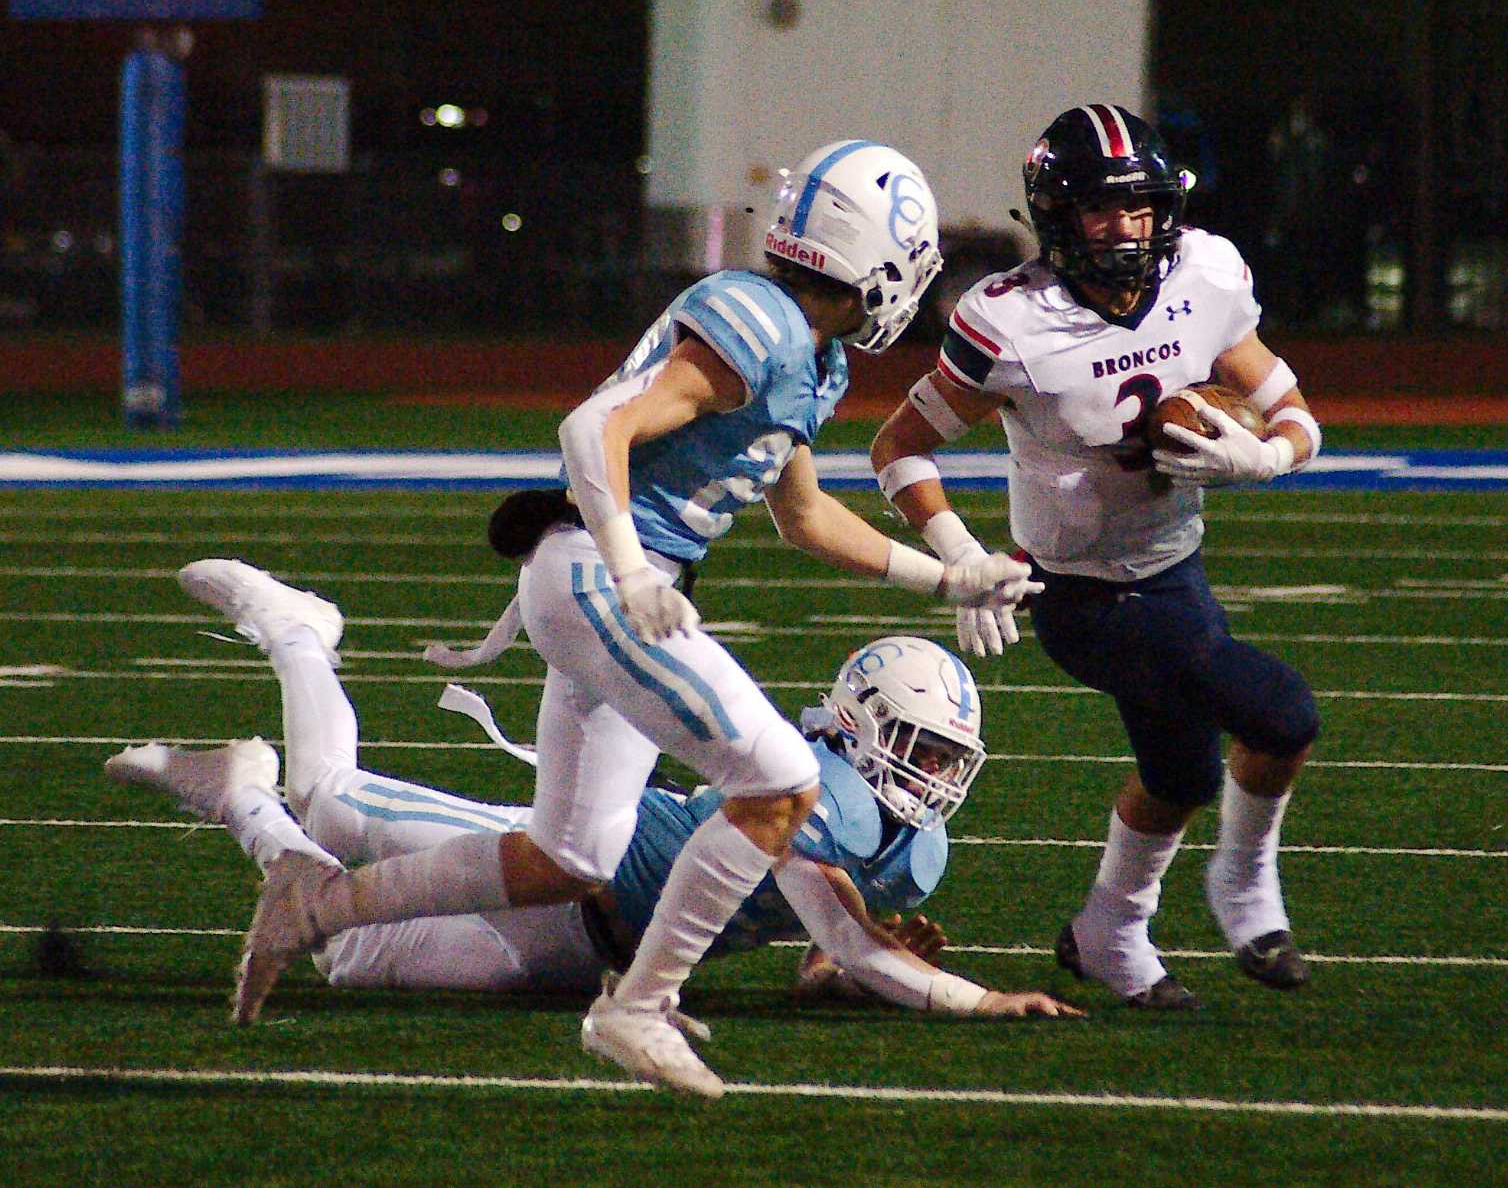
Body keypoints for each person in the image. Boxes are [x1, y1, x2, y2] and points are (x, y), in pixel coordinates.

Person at [208, 140, 1038, 1095]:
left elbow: (802, 515)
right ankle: (635, 1007)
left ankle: (318, 902)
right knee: (778, 777)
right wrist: (634, 565)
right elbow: (588, 427)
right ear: (874, 261)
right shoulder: (757, 322)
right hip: (599, 572)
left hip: (609, 574)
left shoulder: (813, 358)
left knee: (573, 853)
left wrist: (947, 576)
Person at [870, 104, 1325, 1010]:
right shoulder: (1010, 319)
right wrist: (959, 553)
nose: (1128, 228)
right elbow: (899, 445)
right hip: (1075, 593)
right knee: (1281, 711)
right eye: (1101, 211)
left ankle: (1105, 934)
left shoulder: (1204, 273)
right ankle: (1245, 893)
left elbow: (1294, 407)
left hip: (1175, 570)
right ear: (1057, 217)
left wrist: (1265, 454)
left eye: (1141, 207)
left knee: (1182, 774)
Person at [104, 617, 1078, 1025]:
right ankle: (298, 635)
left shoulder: (914, 859)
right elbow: (838, 930)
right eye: (918, 749)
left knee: (348, 960)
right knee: (328, 797)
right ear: (861, 729)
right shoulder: (813, 789)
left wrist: (828, 975)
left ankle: (239, 794)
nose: (933, 776)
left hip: (581, 954)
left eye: (946, 759)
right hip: (561, 863)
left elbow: (817, 942)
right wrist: (979, 1000)